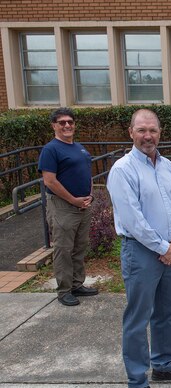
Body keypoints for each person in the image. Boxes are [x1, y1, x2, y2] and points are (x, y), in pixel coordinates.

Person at [107, 109, 171, 388]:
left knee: (167, 312)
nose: (148, 136)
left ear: (160, 132)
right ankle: (137, 381)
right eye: (142, 130)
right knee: (138, 318)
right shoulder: (123, 170)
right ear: (130, 132)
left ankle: (163, 364)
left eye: (153, 130)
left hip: (169, 250)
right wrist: (163, 247)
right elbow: (133, 220)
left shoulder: (169, 167)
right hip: (141, 253)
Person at [38, 107, 98, 306]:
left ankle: (76, 284)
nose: (67, 125)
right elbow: (50, 181)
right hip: (63, 207)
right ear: (54, 125)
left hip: (83, 205)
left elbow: (87, 172)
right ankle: (64, 290)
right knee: (63, 249)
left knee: (79, 247)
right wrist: (73, 200)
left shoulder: (79, 147)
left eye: (70, 122)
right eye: (62, 122)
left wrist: (88, 195)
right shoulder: (51, 149)